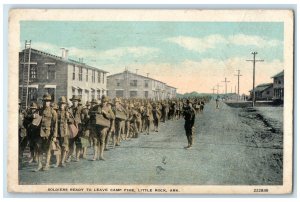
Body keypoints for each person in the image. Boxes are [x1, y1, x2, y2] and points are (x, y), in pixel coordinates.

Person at [35, 93, 57, 171]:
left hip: (48, 133)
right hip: (40, 133)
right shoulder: (39, 110)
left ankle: (47, 164)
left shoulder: (53, 112)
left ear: (50, 102)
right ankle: (40, 165)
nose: (46, 102)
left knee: (48, 149)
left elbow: (55, 124)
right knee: (39, 149)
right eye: (44, 101)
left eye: (47, 101)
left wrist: (54, 136)